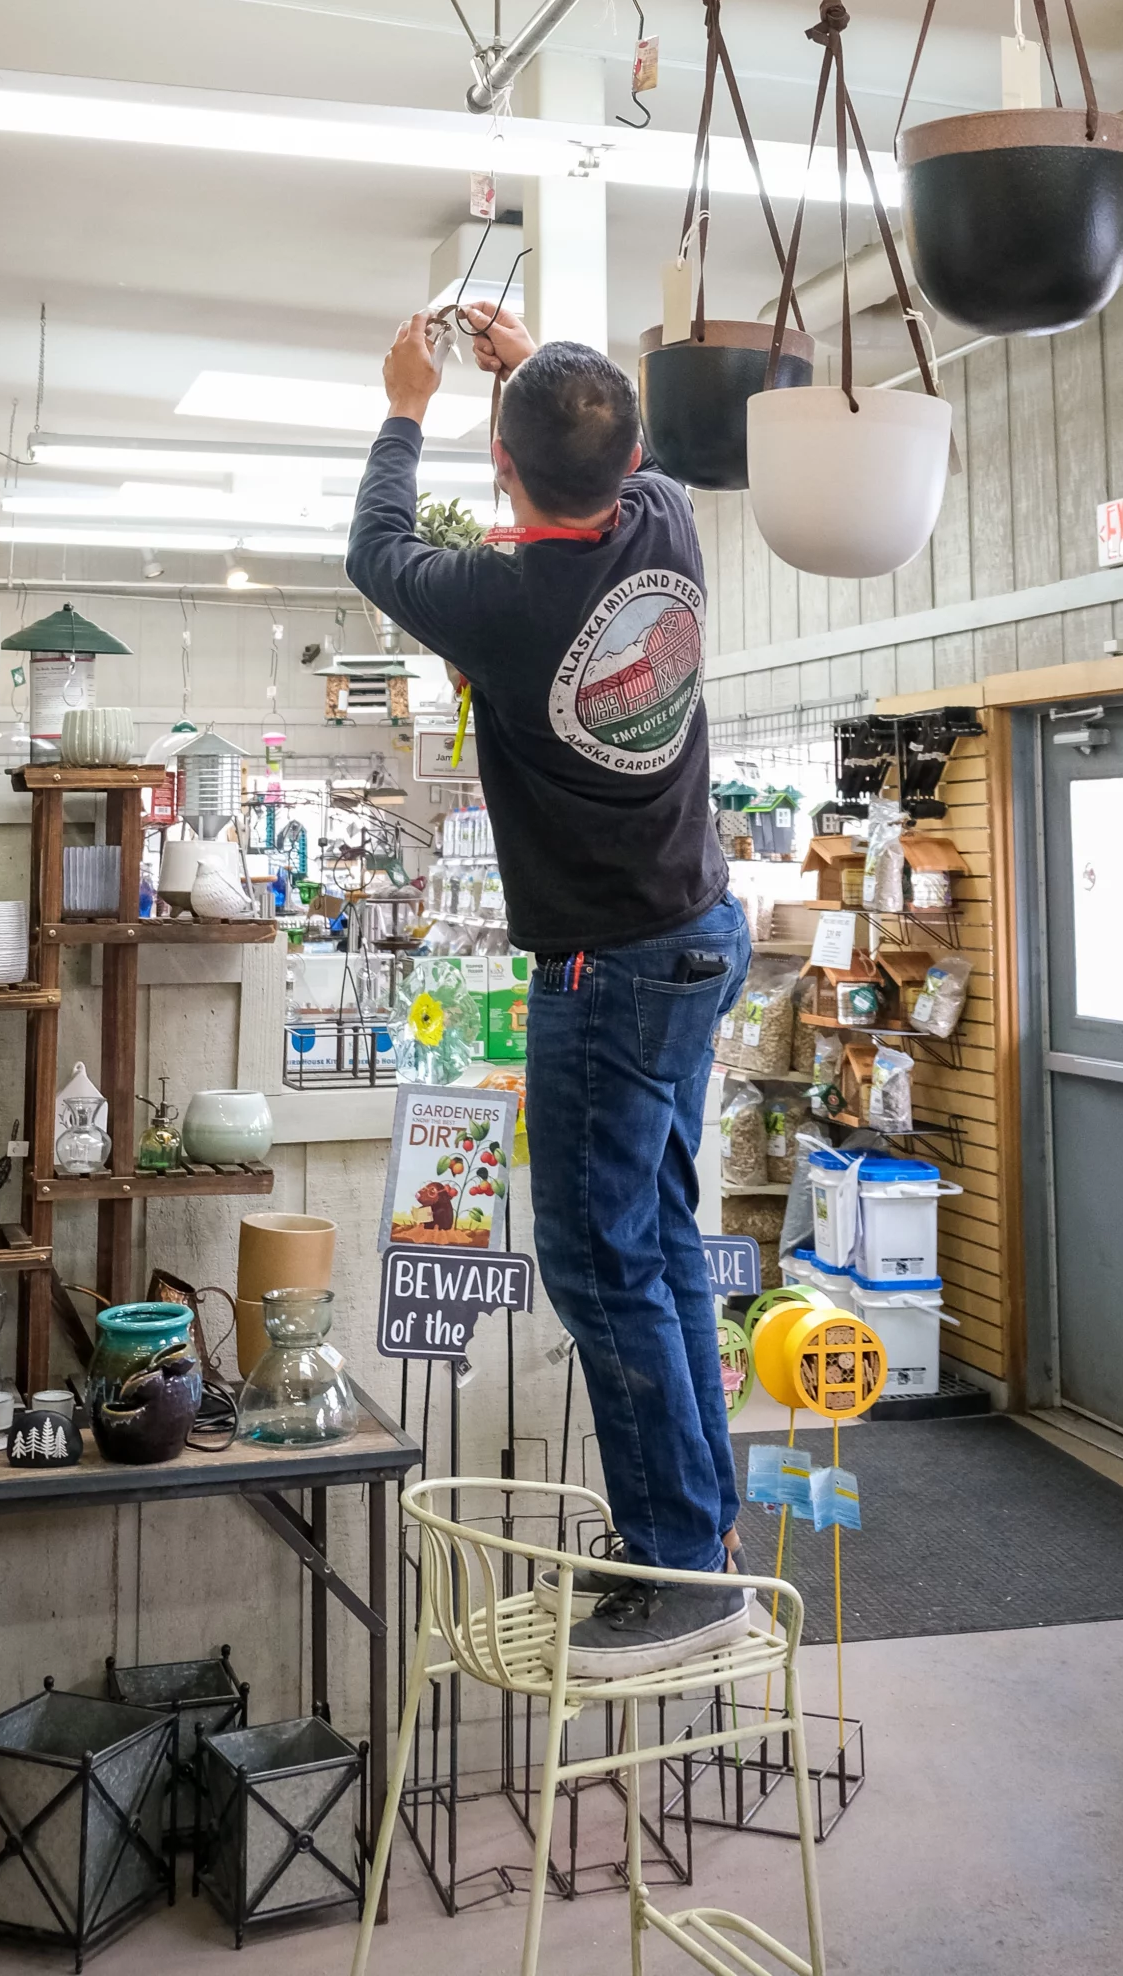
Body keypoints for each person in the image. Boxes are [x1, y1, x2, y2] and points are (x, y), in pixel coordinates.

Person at [346, 302, 753, 1681]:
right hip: (703, 931)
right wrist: (529, 371)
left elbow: (376, 548)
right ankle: (704, 1521)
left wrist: (408, 402)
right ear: (633, 452)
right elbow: (596, 452)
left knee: (596, 1261)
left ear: (506, 480)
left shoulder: (509, 606)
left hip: (612, 965)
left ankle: (678, 1562)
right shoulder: (669, 531)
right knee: (661, 1237)